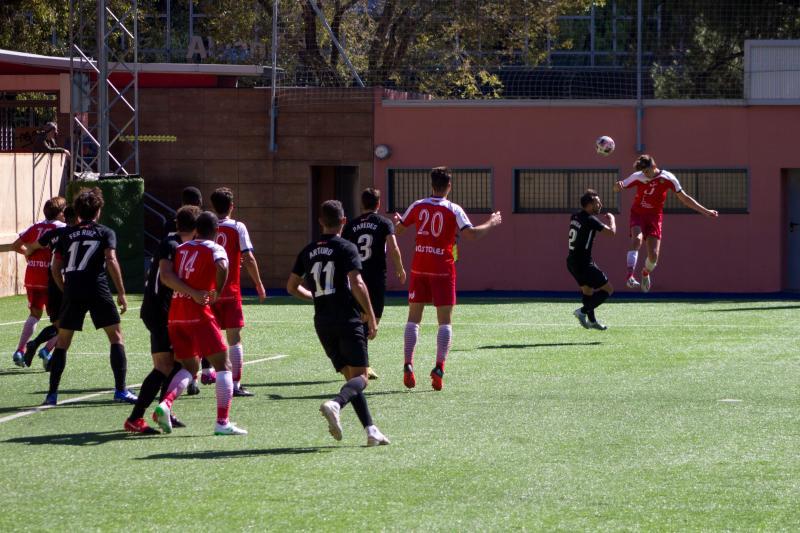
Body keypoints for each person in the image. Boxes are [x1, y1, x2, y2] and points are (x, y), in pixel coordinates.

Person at [287, 200, 390, 446]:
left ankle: (371, 430)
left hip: (323, 322)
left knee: (351, 379)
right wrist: (371, 315)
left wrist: (314, 296)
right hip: (347, 318)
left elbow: (291, 287)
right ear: (344, 221)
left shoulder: (307, 250)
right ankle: (336, 404)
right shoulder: (346, 247)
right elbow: (357, 283)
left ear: (320, 222)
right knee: (362, 377)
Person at [393, 167, 502, 391]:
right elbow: (471, 234)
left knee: (413, 318)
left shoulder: (418, 205)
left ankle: (408, 363)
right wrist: (492, 222)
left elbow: (399, 230)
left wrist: (398, 221)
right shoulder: (454, 209)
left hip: (419, 267)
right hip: (442, 269)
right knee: (444, 322)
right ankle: (439, 368)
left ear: (431, 184)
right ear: (449, 186)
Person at [153, 211, 247, 436]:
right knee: (223, 366)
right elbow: (222, 266)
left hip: (176, 315)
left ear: (196, 230)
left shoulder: (181, 248)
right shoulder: (215, 248)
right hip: (198, 314)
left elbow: (169, 276)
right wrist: (217, 291)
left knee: (190, 368)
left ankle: (165, 404)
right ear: (216, 231)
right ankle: (222, 423)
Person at [45, 188, 137, 406]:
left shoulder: (66, 234)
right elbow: (111, 260)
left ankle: (52, 395)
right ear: (98, 211)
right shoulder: (105, 232)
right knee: (116, 337)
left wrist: (65, 288)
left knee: (63, 342)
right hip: (97, 288)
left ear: (77, 211)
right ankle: (121, 390)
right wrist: (121, 292)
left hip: (73, 289)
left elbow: (55, 267)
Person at [124, 206, 210, 434]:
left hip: (160, 311)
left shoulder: (174, 243)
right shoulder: (172, 245)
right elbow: (166, 276)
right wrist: (194, 293)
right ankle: (137, 417)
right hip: (160, 312)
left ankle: (162, 411)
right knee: (170, 366)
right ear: (196, 227)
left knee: (172, 364)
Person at [614, 154, 718, 292]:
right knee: (637, 240)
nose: (645, 174)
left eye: (647, 171)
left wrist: (705, 211)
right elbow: (618, 187)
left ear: (654, 166)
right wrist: (617, 186)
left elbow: (684, 198)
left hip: (654, 218)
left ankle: (645, 272)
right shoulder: (638, 176)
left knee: (653, 256)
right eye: (643, 172)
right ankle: (630, 276)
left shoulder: (668, 178)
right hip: (638, 214)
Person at [342, 188, 407, 380]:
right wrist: (400, 268)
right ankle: (362, 364)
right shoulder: (384, 223)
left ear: (362, 203)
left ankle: (356, 360)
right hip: (376, 277)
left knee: (366, 321)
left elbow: (342, 249)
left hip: (356, 277)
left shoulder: (351, 225)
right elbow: (393, 247)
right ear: (378, 204)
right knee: (369, 321)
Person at [209, 187, 266, 397]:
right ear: (232, 206)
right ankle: (235, 385)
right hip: (230, 291)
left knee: (208, 335)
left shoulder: (206, 226)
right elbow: (248, 258)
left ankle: (201, 376)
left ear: (213, 206)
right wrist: (258, 284)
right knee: (234, 338)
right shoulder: (237, 227)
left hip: (209, 292)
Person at [11, 197, 67, 367]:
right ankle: (47, 351)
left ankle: (20, 351)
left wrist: (28, 254)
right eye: (64, 211)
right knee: (64, 321)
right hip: (50, 279)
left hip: (32, 275)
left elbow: (16, 245)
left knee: (34, 315)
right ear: (60, 213)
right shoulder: (62, 227)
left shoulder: (36, 226)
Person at [22, 205, 78, 368]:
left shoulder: (54, 233)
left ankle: (38, 346)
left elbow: (31, 247)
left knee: (59, 324)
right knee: (67, 325)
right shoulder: (77, 234)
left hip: (52, 281)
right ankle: (47, 353)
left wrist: (29, 256)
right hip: (67, 281)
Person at [567, 190, 616, 330]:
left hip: (572, 262)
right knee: (608, 289)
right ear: (589, 204)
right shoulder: (590, 220)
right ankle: (582, 312)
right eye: (597, 202)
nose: (600, 204)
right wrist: (612, 219)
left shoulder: (575, 216)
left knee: (588, 291)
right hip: (584, 263)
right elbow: (611, 233)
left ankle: (592, 321)